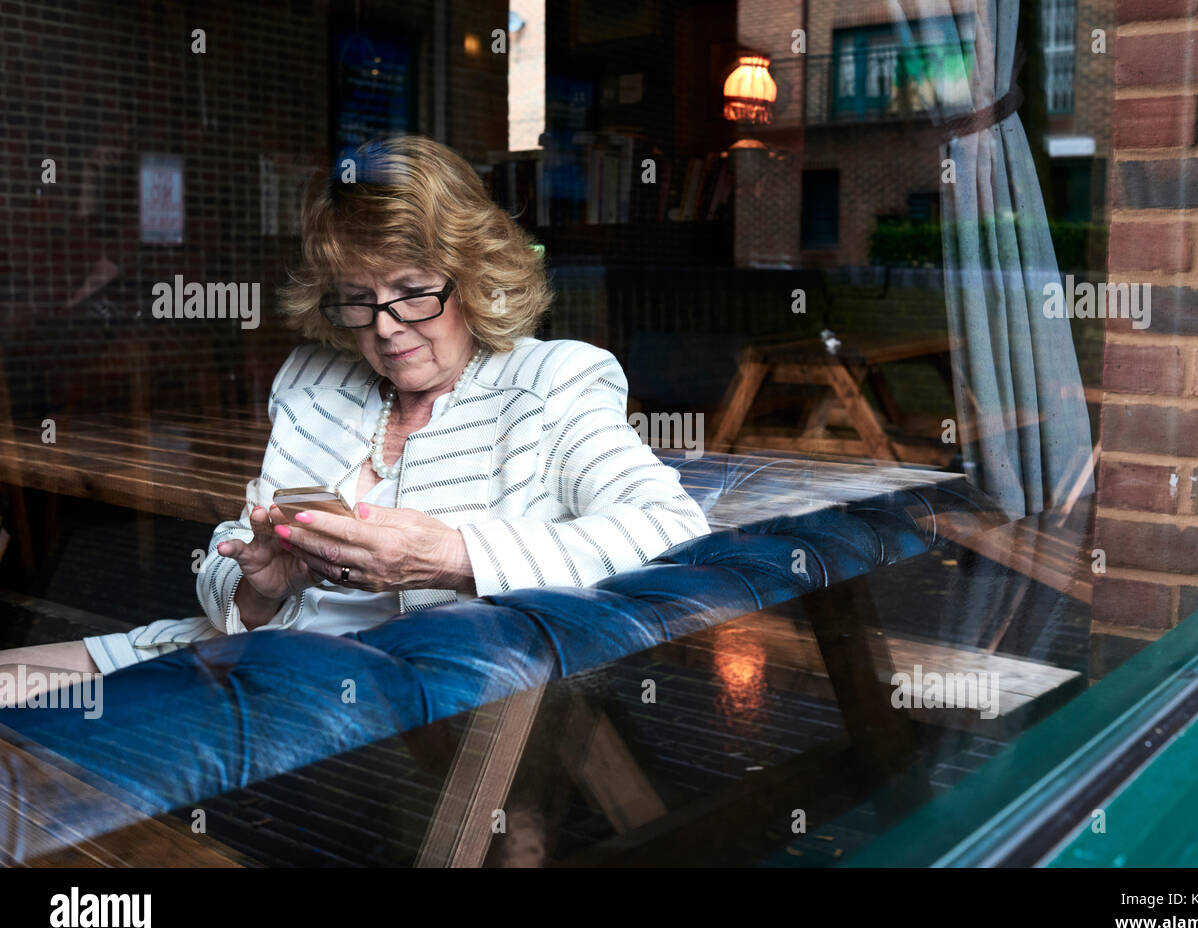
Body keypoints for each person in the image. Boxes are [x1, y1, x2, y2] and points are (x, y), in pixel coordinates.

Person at [0, 134, 710, 699]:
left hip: (386, 696)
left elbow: (674, 531)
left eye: (411, 290)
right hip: (239, 652)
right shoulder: (316, 381)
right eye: (356, 299)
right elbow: (237, 544)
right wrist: (259, 588)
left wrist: (453, 558)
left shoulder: (551, 382)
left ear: (475, 274)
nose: (387, 327)